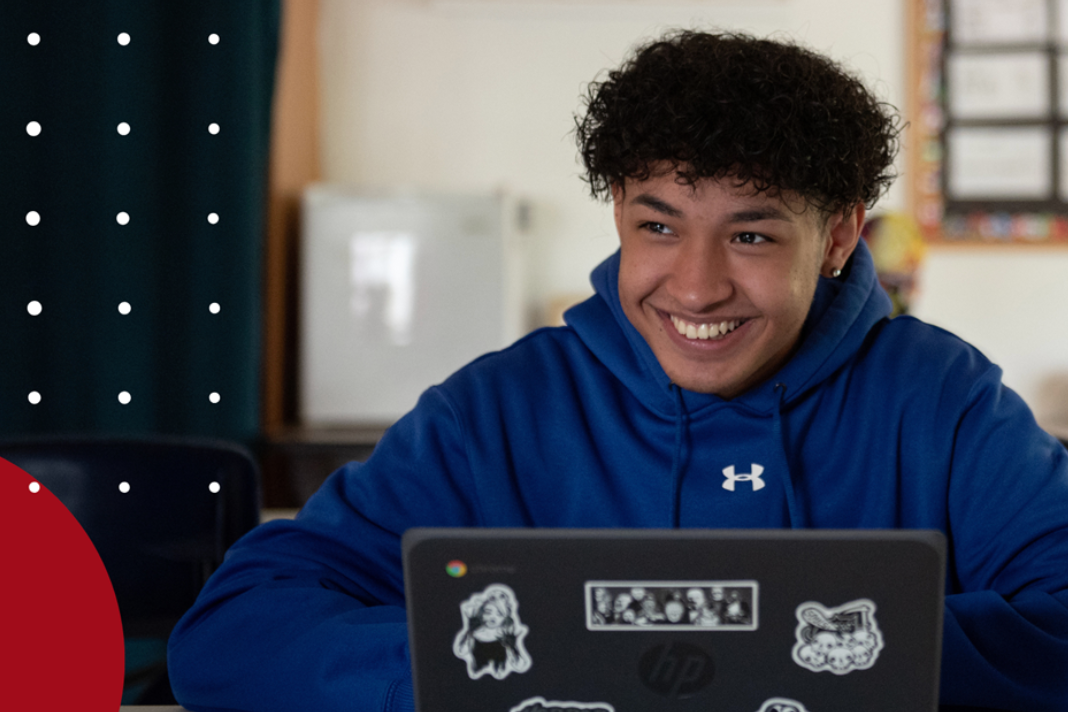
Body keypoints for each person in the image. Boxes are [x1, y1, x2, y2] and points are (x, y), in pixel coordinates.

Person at [168, 30, 1068, 712]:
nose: (697, 285)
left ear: (837, 234)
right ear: (618, 216)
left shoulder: (942, 401)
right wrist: (520, 664)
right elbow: (234, 631)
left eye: (751, 235)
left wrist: (792, 650)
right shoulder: (498, 411)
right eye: (660, 225)